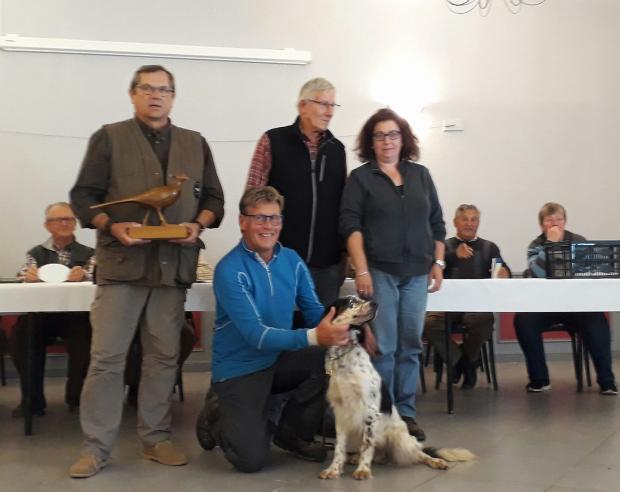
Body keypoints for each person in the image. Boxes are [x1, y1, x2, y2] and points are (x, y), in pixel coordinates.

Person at [69, 64, 225, 478]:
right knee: (107, 359)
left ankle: (156, 438)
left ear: (173, 97)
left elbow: (214, 199)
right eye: (147, 88)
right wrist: (111, 226)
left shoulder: (195, 143)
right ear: (133, 94)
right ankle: (96, 447)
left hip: (171, 271)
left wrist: (197, 225)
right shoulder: (109, 137)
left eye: (164, 89)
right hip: (122, 269)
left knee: (163, 358)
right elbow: (83, 197)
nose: (156, 95)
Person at [196, 186, 350, 473]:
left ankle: (289, 431)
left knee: (335, 358)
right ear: (243, 222)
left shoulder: (292, 260)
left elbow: (314, 312)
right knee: (249, 461)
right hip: (239, 370)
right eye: (260, 218)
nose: (269, 226)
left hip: (278, 360)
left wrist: (346, 329)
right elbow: (256, 335)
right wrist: (316, 336)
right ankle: (215, 415)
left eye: (275, 218)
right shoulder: (229, 270)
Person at [340, 108, 446, 441]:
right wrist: (361, 269)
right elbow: (350, 226)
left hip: (417, 274)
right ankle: (383, 415)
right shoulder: (360, 178)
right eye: (380, 135)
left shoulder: (421, 175)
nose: (387, 141)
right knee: (384, 347)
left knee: (411, 345)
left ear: (404, 139)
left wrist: (438, 262)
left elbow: (437, 223)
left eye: (393, 134)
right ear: (370, 142)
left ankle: (407, 415)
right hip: (380, 272)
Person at [246, 78, 347, 306]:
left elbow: (342, 207)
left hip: (326, 267)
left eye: (333, 105)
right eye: (323, 104)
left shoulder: (337, 150)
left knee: (321, 327)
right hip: (278, 260)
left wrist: (344, 257)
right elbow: (251, 201)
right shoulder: (273, 141)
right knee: (277, 326)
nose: (330, 112)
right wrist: (257, 251)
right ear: (303, 106)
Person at [514, 202, 617, 395]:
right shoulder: (536, 245)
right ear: (541, 225)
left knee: (597, 321)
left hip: (576, 305)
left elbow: (591, 270)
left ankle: (607, 381)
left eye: (559, 219)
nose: (555, 223)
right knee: (523, 320)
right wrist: (551, 245)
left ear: (565, 221)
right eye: (549, 220)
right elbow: (536, 273)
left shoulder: (579, 241)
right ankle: (539, 380)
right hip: (545, 307)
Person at [9, 202, 94, 417]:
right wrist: (29, 277)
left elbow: (98, 277)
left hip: (77, 317)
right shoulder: (35, 253)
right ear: (47, 225)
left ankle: (77, 398)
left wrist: (85, 275)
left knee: (87, 339)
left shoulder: (89, 254)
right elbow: (21, 276)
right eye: (58, 219)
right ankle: (32, 400)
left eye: (69, 219)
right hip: (41, 316)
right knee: (21, 335)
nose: (64, 223)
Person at [424, 204, 510, 389]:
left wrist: (505, 272)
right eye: (465, 219)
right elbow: (430, 268)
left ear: (478, 223)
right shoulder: (443, 247)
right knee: (429, 324)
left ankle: (465, 360)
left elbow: (502, 268)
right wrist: (454, 255)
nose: (469, 224)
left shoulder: (489, 247)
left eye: (474, 220)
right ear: (455, 222)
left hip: (477, 306)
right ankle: (460, 361)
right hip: (446, 305)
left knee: (483, 321)